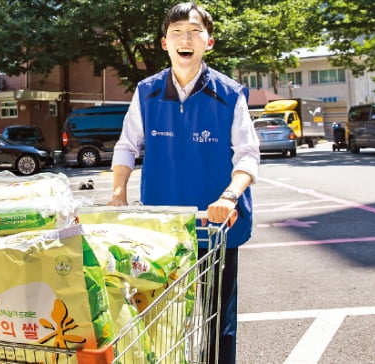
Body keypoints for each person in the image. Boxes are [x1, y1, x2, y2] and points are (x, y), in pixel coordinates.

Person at [107, 2, 260, 364]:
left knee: (216, 319)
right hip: (162, 227)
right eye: (177, 32)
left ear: (209, 42)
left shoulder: (229, 93)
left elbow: (248, 155)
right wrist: (118, 194)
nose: (185, 39)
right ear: (165, 43)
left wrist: (229, 196)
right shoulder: (147, 92)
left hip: (217, 225)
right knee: (159, 318)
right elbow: (127, 145)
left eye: (194, 32)